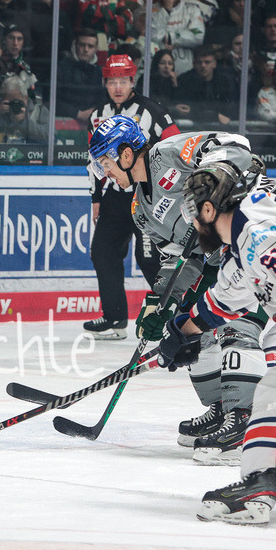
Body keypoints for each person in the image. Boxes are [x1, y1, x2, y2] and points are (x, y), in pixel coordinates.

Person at [160, 162, 276, 524]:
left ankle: (257, 484)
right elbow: (228, 296)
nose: (194, 227)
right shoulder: (249, 222)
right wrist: (185, 330)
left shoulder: (251, 228)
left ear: (209, 209)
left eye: (195, 216)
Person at [90, 114, 269, 460]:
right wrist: (161, 302)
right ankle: (221, 407)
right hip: (220, 264)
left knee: (236, 325)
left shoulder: (170, 153)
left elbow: (239, 148)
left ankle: (244, 418)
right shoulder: (140, 210)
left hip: (255, 242)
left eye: (106, 163)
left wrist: (213, 195)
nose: (105, 173)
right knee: (185, 327)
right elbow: (176, 261)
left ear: (126, 155)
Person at [84, 54, 178, 339]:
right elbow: (95, 161)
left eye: (123, 80)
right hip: (114, 197)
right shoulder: (97, 115)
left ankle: (173, 316)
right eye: (112, 81)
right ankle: (115, 319)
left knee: (149, 258)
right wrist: (96, 198)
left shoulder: (153, 111)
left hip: (146, 196)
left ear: (132, 80)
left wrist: (164, 189)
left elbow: (175, 145)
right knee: (102, 252)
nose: (117, 87)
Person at [173, 44, 239, 126]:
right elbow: (185, 110)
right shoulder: (184, 81)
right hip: (192, 130)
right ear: (193, 63)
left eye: (207, 62)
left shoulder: (225, 81)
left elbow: (231, 108)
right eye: (199, 62)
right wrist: (215, 116)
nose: (203, 66)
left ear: (214, 64)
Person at [55, 28, 103, 124]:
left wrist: (94, 111)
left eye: (90, 46)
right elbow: (51, 100)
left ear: (96, 49)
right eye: (82, 45)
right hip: (62, 123)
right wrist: (77, 113)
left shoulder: (98, 73)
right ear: (75, 44)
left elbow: (102, 100)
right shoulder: (60, 68)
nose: (86, 49)